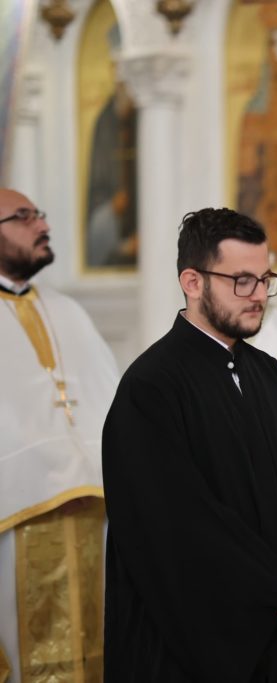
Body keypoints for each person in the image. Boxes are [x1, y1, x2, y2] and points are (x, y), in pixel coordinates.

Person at [102, 208, 277, 682]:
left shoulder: (271, 377)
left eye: (265, 279)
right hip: (202, 644)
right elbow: (176, 526)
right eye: (242, 281)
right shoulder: (150, 388)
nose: (259, 295)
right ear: (192, 282)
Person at [0, 188, 118, 683]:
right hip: (16, 523)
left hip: (97, 516)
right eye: (23, 217)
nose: (42, 225)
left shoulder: (69, 311)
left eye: (40, 215)